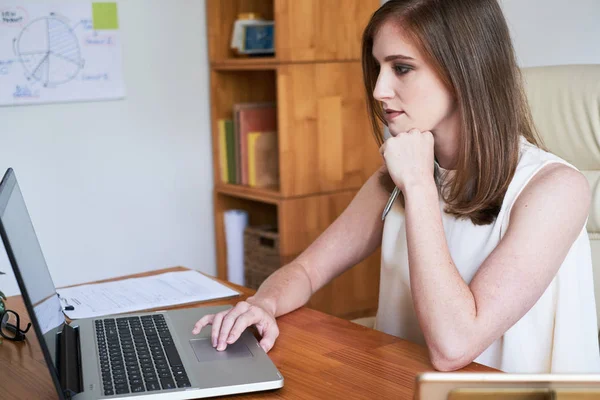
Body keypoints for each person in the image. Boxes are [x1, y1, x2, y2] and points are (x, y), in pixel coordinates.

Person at [193, 0, 600, 373]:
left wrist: (421, 187)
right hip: (399, 385)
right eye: (379, 67)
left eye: (401, 68)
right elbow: (305, 269)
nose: (378, 90)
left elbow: (454, 346)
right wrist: (262, 304)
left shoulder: (555, 189)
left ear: (464, 70)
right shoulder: (399, 178)